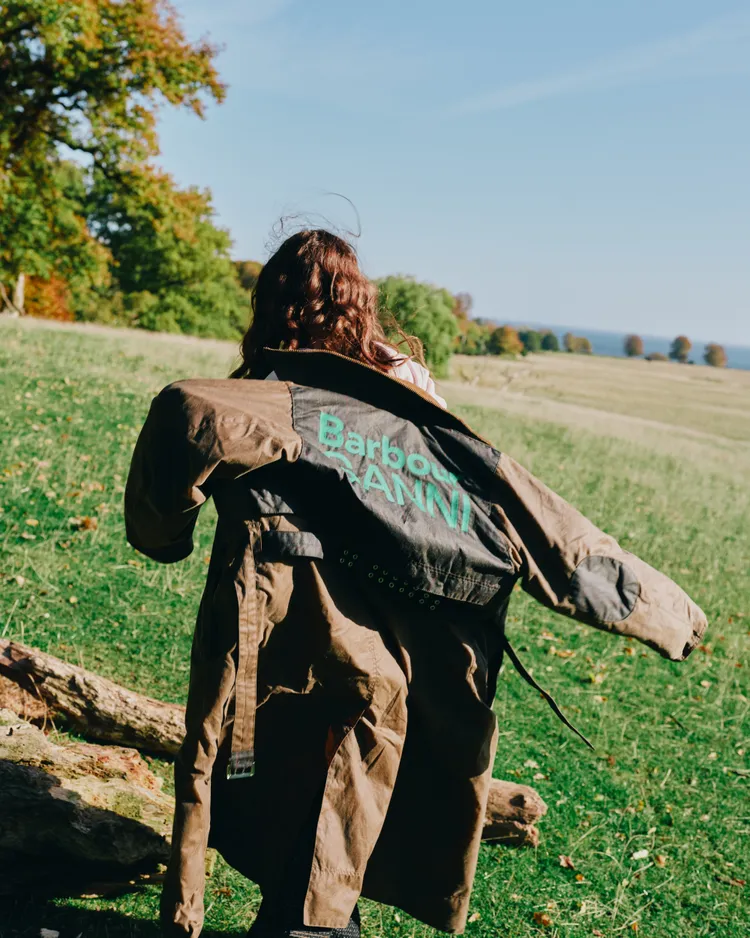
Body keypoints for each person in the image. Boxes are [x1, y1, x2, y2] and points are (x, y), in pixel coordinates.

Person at [125, 229, 707, 938]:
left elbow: (166, 496)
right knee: (338, 801)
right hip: (385, 665)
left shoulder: (256, 400)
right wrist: (670, 613)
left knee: (279, 799)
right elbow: (548, 529)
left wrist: (172, 530)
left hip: (266, 649)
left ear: (271, 306)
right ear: (361, 310)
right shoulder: (409, 419)